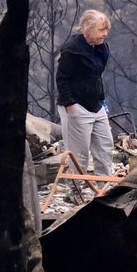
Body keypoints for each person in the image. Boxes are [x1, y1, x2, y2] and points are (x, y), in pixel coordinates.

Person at [56, 9, 115, 175]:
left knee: (105, 145)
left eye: (106, 30)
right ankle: (75, 189)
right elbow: (62, 78)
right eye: (101, 30)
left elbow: (96, 76)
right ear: (87, 29)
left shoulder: (101, 48)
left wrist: (102, 100)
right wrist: (69, 104)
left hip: (96, 104)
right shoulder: (72, 50)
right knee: (78, 153)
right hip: (76, 105)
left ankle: (105, 187)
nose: (105, 34)